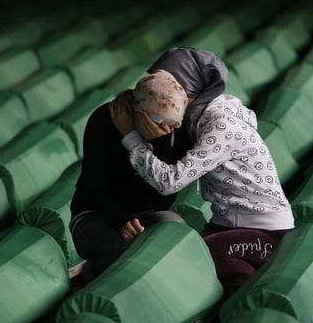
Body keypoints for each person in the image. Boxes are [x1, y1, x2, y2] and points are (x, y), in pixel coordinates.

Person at [110, 47, 295, 295]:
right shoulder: (197, 117)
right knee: (180, 255)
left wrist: (132, 138)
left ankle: (246, 302)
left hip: (267, 233)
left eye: (168, 84)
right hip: (224, 225)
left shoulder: (221, 124)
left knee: (202, 258)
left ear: (188, 89)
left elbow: (169, 182)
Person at [69, 87, 191, 280]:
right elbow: (95, 186)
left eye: (173, 125)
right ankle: (89, 271)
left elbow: (163, 202)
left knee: (174, 229)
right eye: (161, 123)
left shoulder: (172, 130)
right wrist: (121, 221)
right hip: (95, 216)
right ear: (142, 115)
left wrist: (161, 143)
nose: (168, 129)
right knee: (135, 251)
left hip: (142, 217)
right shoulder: (104, 119)